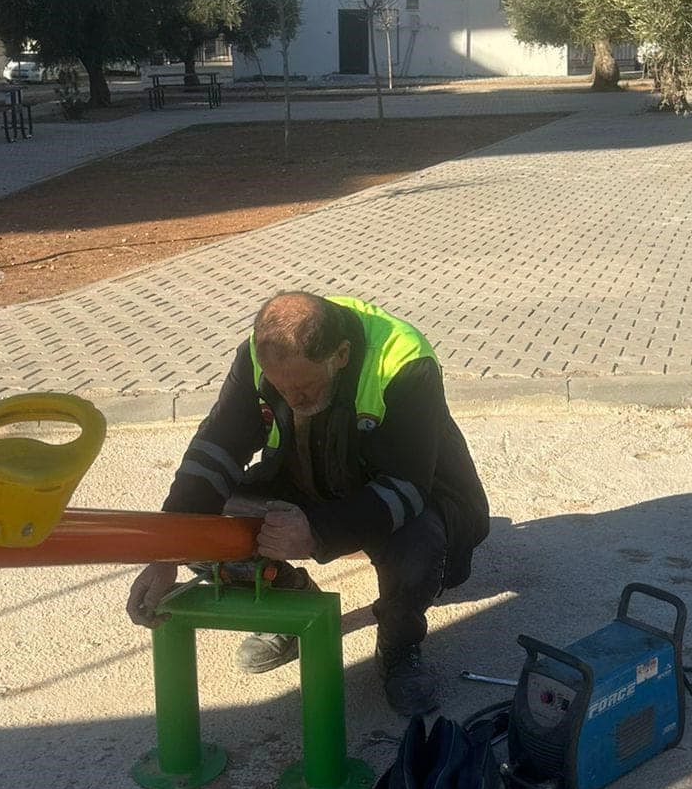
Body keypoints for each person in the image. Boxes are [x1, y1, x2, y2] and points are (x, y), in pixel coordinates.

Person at [126, 292, 490, 715]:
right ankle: (291, 605)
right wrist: (167, 550)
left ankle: (399, 643)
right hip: (306, 473)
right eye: (280, 389)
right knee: (209, 531)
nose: (292, 400)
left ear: (341, 355)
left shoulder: (404, 359)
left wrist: (317, 532)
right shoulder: (261, 354)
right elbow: (216, 447)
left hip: (398, 486)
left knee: (418, 553)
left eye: (303, 387)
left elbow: (407, 486)